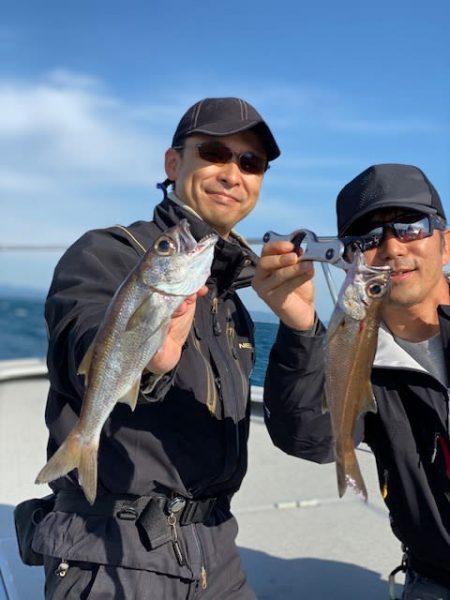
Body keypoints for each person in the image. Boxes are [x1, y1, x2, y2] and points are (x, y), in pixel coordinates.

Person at [31, 97, 281, 599]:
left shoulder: (233, 297)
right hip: (110, 555)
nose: (233, 173)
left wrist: (303, 329)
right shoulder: (106, 253)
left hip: (220, 555)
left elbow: (307, 438)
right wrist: (148, 364)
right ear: (173, 163)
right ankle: (84, 446)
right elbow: (77, 341)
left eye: (250, 162)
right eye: (214, 151)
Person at [253, 163, 450, 599]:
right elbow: (312, 439)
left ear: (446, 243)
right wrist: (301, 327)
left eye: (411, 227)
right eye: (367, 240)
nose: (392, 247)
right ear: (347, 259)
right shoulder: (361, 354)